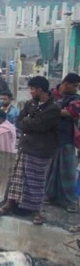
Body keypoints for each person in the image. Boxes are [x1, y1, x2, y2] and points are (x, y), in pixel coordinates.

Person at [0, 76, 61, 225]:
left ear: (40, 90)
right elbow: (19, 121)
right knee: (17, 179)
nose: (30, 92)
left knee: (36, 182)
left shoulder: (53, 108)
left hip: (41, 150)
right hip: (26, 146)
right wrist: (29, 123)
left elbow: (39, 125)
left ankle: (36, 211)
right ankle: (9, 205)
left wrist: (28, 123)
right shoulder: (31, 104)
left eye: (32, 89)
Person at [45, 73, 80, 212]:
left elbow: (71, 113)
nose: (77, 89)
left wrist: (51, 110)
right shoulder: (52, 94)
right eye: (75, 86)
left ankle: (70, 201)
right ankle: (50, 196)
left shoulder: (76, 99)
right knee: (51, 169)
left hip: (67, 138)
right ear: (66, 84)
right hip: (51, 137)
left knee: (68, 170)